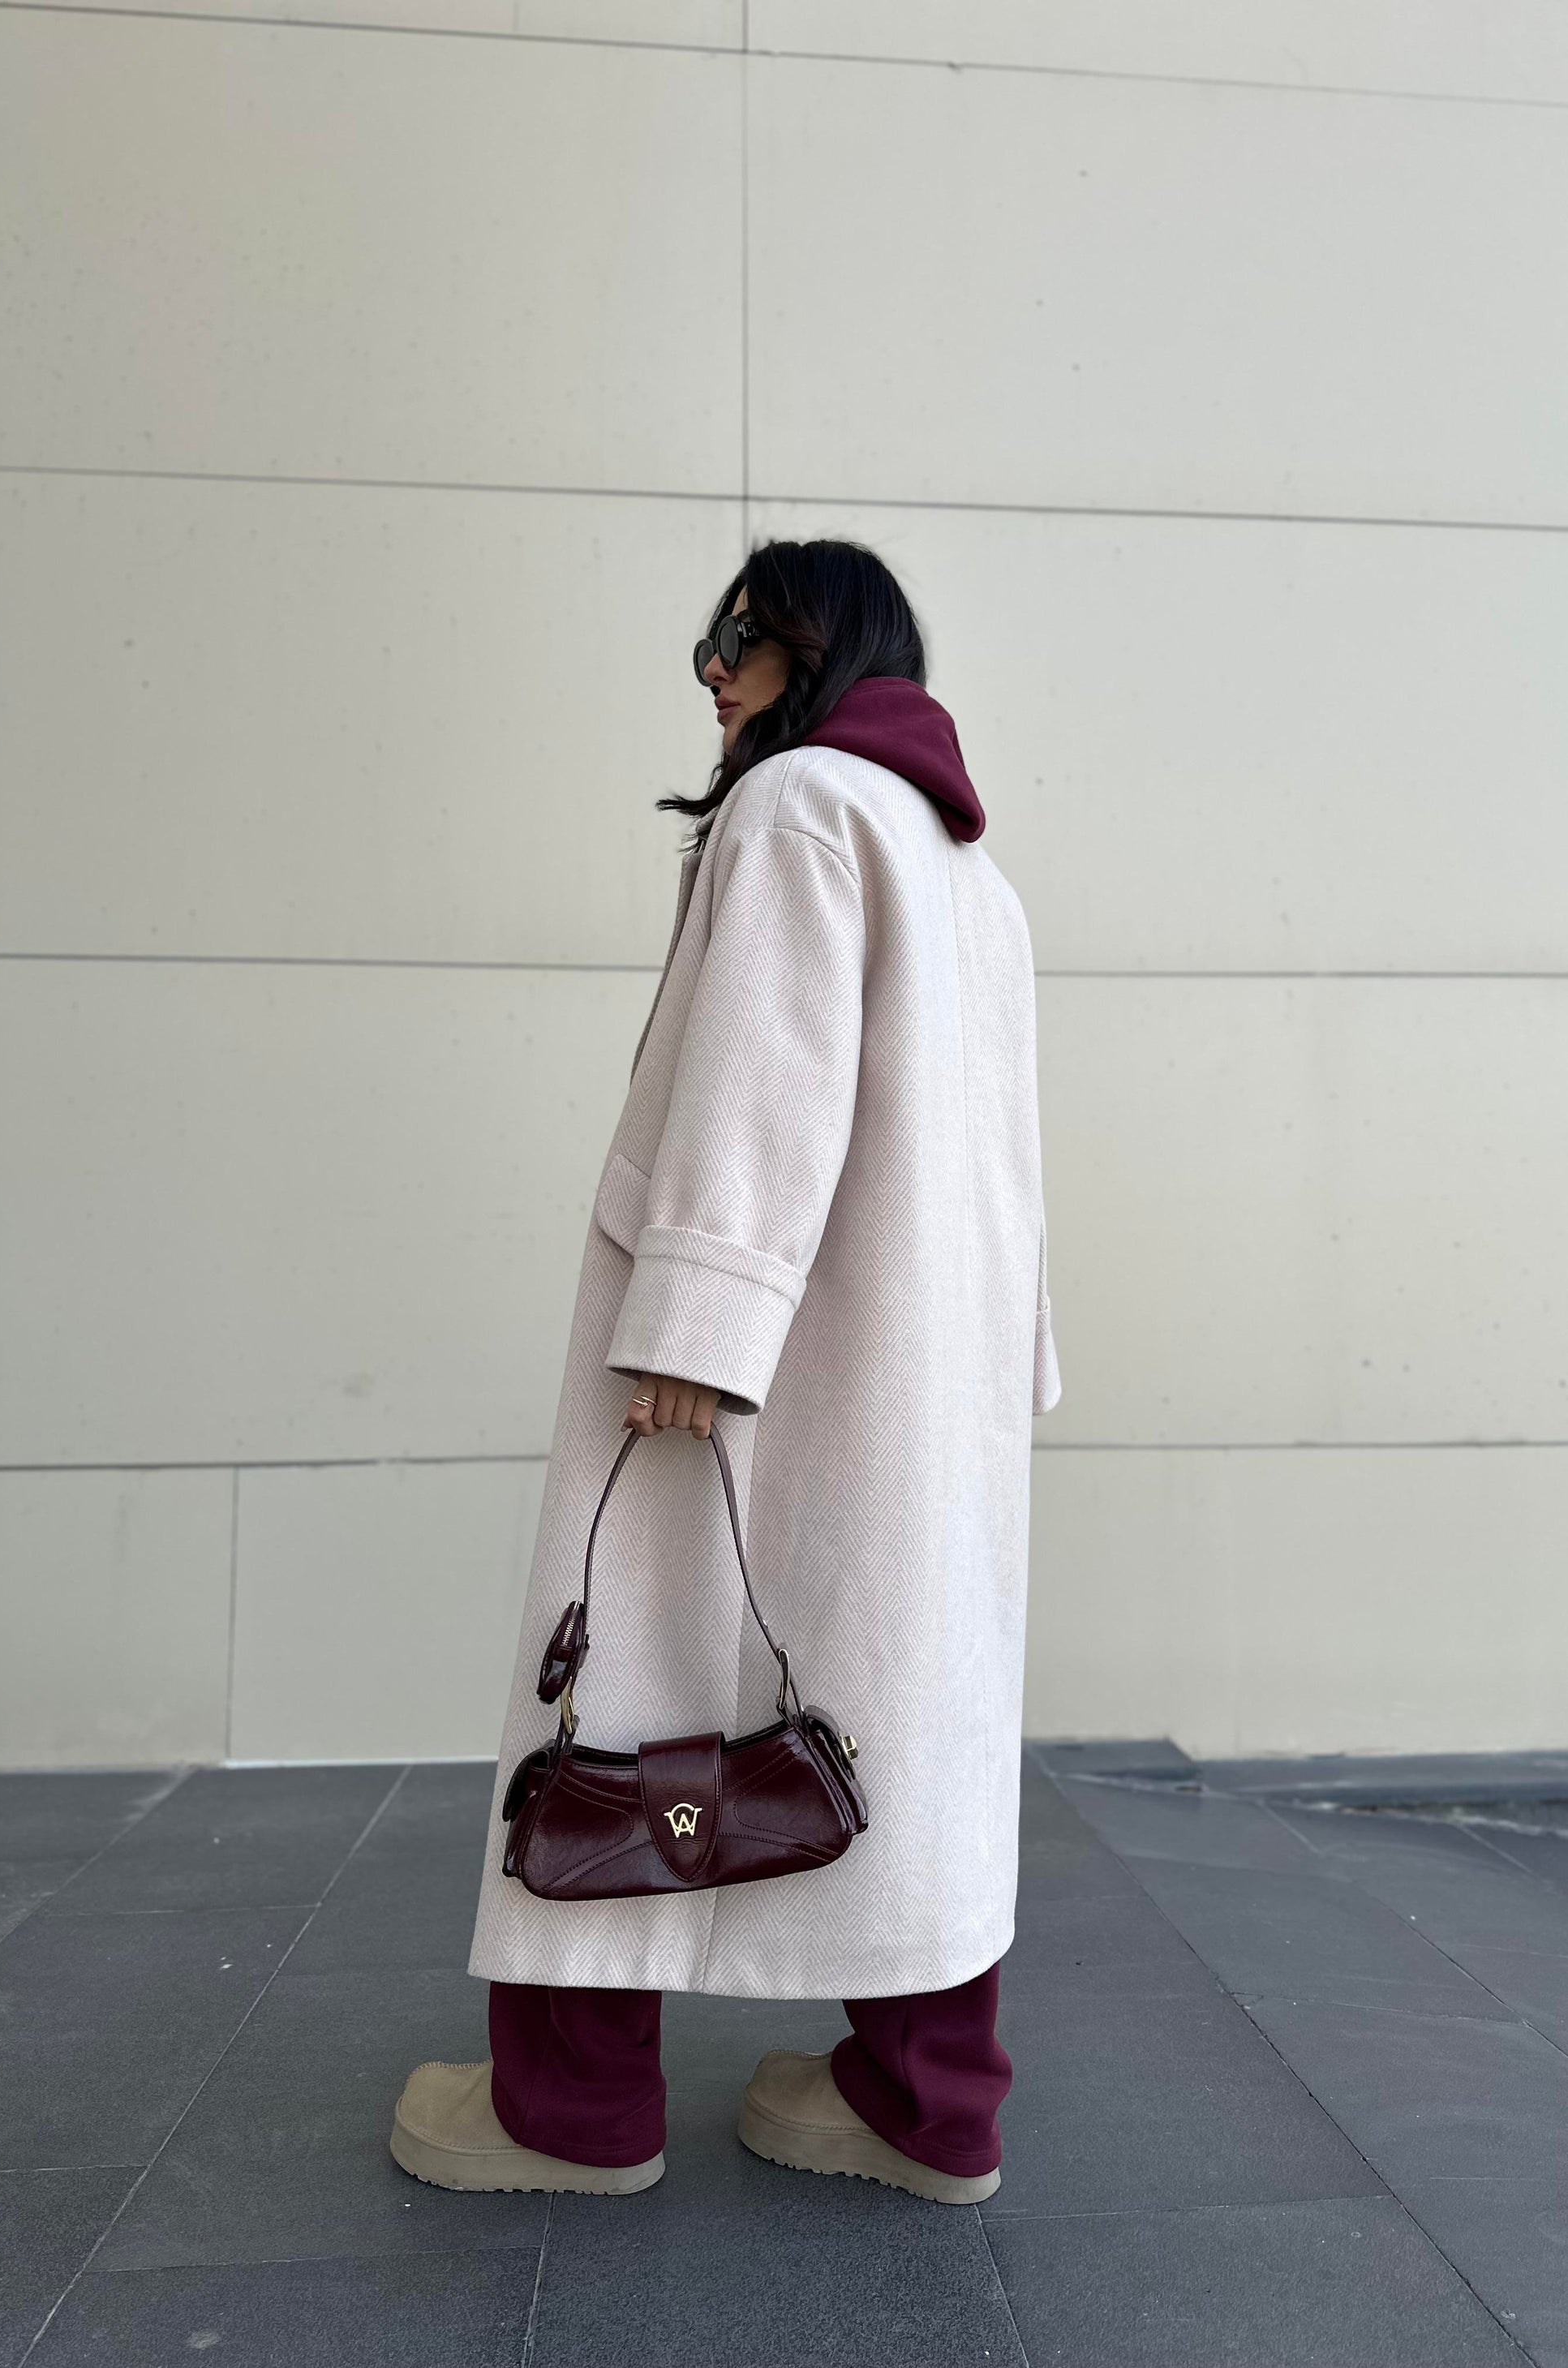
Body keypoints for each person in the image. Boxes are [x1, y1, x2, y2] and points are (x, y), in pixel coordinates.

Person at [389, 539, 1062, 2207]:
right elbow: (1002, 1166)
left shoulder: (799, 807)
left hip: (765, 1358)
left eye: (746, 636)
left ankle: (569, 2107)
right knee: (907, 1718)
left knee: (618, 1676)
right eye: (713, 635)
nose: (714, 666)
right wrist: (1013, 1359)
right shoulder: (967, 868)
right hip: (918, 1379)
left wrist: (694, 1315)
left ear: (829, 650)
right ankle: (922, 2103)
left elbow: (764, 1074)